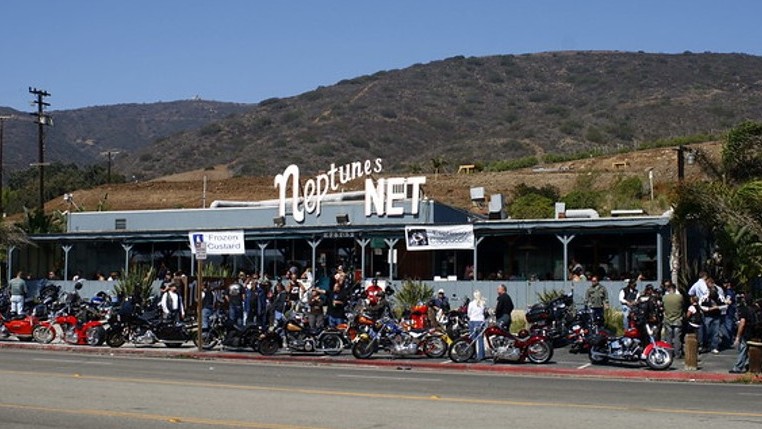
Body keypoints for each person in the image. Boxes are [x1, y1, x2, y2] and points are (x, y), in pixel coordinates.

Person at [700, 277, 726, 354]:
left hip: (716, 316)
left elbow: (725, 305)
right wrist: (709, 309)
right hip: (708, 316)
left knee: (716, 332)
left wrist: (717, 307)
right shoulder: (705, 296)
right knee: (706, 331)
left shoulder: (719, 296)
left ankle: (714, 347)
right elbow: (700, 305)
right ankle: (706, 345)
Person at [729, 294, 753, 374]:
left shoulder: (745, 310)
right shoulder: (755, 309)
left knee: (743, 349)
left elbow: (742, 323)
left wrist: (738, 336)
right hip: (754, 332)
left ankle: (738, 367)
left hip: (746, 332)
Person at [661, 280, 684, 358]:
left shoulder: (664, 297)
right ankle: (677, 353)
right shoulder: (679, 297)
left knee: (668, 338)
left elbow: (663, 306)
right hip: (677, 319)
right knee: (677, 337)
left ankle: (669, 353)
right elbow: (682, 305)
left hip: (668, 319)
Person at [467, 290, 486, 361]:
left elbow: (469, 313)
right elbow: (484, 312)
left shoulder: (471, 303)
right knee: (480, 339)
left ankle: (473, 354)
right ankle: (481, 355)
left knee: (473, 339)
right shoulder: (483, 303)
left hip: (473, 321)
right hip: (481, 321)